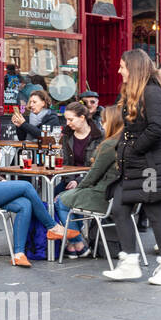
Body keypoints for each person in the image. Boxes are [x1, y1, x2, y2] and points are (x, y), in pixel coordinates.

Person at [0, 108, 78, 268]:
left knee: (25, 204)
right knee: (25, 186)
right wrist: (1, 183)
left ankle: (18, 254)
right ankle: (52, 227)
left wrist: (0, 180)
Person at [104, 51, 161, 283]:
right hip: (136, 164)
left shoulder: (152, 91)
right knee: (119, 208)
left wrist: (134, 148)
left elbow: (157, 128)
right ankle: (129, 262)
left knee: (155, 213)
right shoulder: (136, 92)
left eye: (122, 67)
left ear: (134, 68)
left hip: (150, 167)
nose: (119, 71)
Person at [55, 105, 126, 258]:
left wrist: (79, 187)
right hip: (120, 195)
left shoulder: (107, 144)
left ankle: (78, 243)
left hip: (102, 194)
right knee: (61, 195)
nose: (102, 124)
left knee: (60, 200)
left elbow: (94, 173)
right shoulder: (126, 142)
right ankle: (72, 244)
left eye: (104, 121)